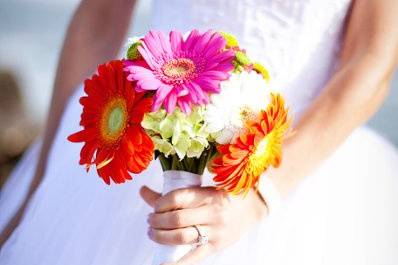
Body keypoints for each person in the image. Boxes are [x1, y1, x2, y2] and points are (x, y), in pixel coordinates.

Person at [1, 0, 398, 264]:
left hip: (300, 170)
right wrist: (41, 180)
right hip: (136, 153)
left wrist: (262, 194)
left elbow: (372, 58)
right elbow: (99, 18)